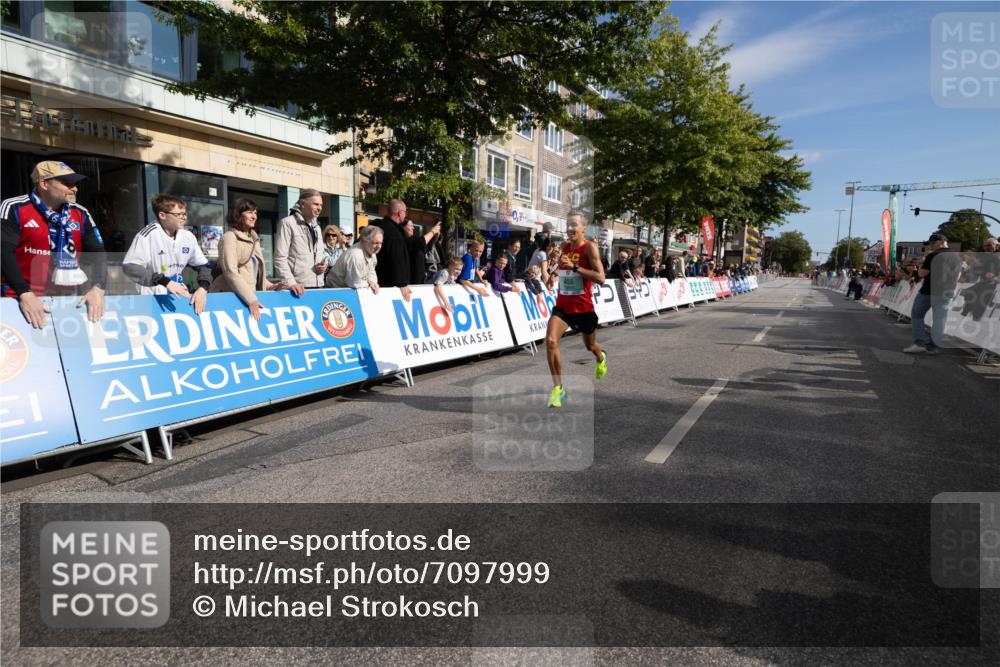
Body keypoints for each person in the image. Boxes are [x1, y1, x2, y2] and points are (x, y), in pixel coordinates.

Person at [1, 160, 106, 328]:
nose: (75, 188)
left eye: (75, 183)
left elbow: (98, 252)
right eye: (67, 183)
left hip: (67, 299)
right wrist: (25, 294)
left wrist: (98, 288)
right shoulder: (15, 207)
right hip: (21, 298)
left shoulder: (80, 212)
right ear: (44, 184)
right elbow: (4, 252)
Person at [543, 209, 607, 409]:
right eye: (568, 225)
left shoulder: (590, 248)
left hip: (584, 308)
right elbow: (562, 268)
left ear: (584, 228)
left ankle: (601, 357)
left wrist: (574, 267)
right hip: (563, 306)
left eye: (574, 225)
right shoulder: (564, 246)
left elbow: (601, 278)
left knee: (591, 346)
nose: (570, 228)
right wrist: (553, 276)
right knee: (551, 341)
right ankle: (558, 389)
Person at [210, 198, 303, 321]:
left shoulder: (254, 239)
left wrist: (272, 286)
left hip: (246, 299)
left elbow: (253, 275)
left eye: (255, 213)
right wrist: (251, 299)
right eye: (249, 212)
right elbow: (230, 272)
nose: (254, 216)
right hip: (230, 299)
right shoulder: (229, 237)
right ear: (237, 214)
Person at [122, 195, 211, 313]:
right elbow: (130, 267)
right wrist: (164, 281)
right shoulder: (148, 235)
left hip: (177, 296)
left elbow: (204, 266)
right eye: (178, 214)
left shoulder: (188, 236)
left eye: (185, 214)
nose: (184, 217)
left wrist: (203, 288)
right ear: (162, 215)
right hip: (150, 299)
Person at [904, 233, 956, 354]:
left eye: (932, 243)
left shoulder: (933, 255)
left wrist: (921, 265)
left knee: (917, 314)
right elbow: (957, 276)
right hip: (947, 292)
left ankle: (919, 344)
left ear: (941, 242)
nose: (930, 246)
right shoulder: (956, 256)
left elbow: (922, 274)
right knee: (939, 319)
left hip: (929, 291)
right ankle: (933, 347)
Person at [274, 188, 326, 289]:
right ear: (302, 204)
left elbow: (321, 254)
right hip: (297, 287)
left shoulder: (317, 227)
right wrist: (291, 283)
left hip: (318, 285)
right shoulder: (287, 223)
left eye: (321, 205)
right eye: (316, 204)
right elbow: (279, 258)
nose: (319, 208)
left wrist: (324, 265)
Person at [372, 199, 412, 300]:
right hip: (388, 286)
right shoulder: (394, 233)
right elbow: (397, 259)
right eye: (405, 212)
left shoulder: (378, 227)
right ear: (400, 213)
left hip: (376, 281)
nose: (405, 215)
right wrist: (402, 283)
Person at [326, 224, 381, 292]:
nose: (379, 246)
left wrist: (373, 283)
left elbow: (371, 270)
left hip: (347, 288)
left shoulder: (370, 251)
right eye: (376, 243)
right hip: (335, 290)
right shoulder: (355, 254)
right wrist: (369, 285)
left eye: (380, 243)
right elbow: (355, 283)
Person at [403, 218, 442, 285]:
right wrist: (432, 232)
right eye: (411, 226)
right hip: (409, 282)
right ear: (403, 227)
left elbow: (425, 246)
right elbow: (421, 242)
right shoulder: (404, 240)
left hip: (421, 281)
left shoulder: (413, 239)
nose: (413, 228)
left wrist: (434, 236)